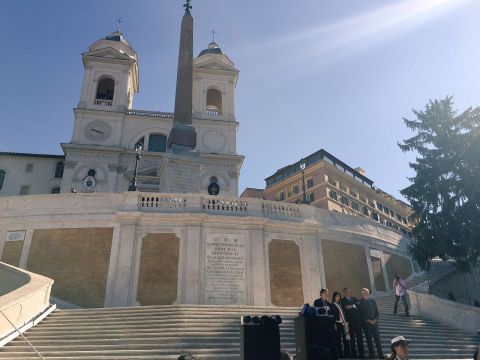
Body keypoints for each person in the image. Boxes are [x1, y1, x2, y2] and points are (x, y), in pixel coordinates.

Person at [358, 288, 384, 359]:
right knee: (369, 341)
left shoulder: (373, 301)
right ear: (362, 293)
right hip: (366, 325)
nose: (367, 294)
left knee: (377, 341)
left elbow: (377, 312)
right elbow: (361, 314)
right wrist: (368, 320)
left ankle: (381, 355)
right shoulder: (359, 303)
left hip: (375, 324)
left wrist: (375, 319)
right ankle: (372, 356)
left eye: (367, 293)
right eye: (365, 293)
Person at [340, 287, 365, 359]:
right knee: (352, 340)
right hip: (349, 323)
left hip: (358, 322)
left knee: (360, 338)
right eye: (346, 292)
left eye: (349, 291)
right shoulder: (342, 301)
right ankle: (354, 354)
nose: (348, 293)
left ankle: (361, 354)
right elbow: (344, 309)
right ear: (344, 292)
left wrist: (351, 306)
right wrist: (353, 306)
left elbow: (358, 304)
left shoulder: (354, 298)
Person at [331, 291, 351, 359]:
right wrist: (334, 324)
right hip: (337, 324)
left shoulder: (340, 304)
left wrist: (346, 321)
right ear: (334, 297)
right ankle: (340, 354)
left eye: (339, 296)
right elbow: (332, 315)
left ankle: (347, 354)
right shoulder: (332, 305)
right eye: (337, 296)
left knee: (346, 339)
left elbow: (343, 314)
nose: (338, 297)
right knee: (338, 340)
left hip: (343, 324)